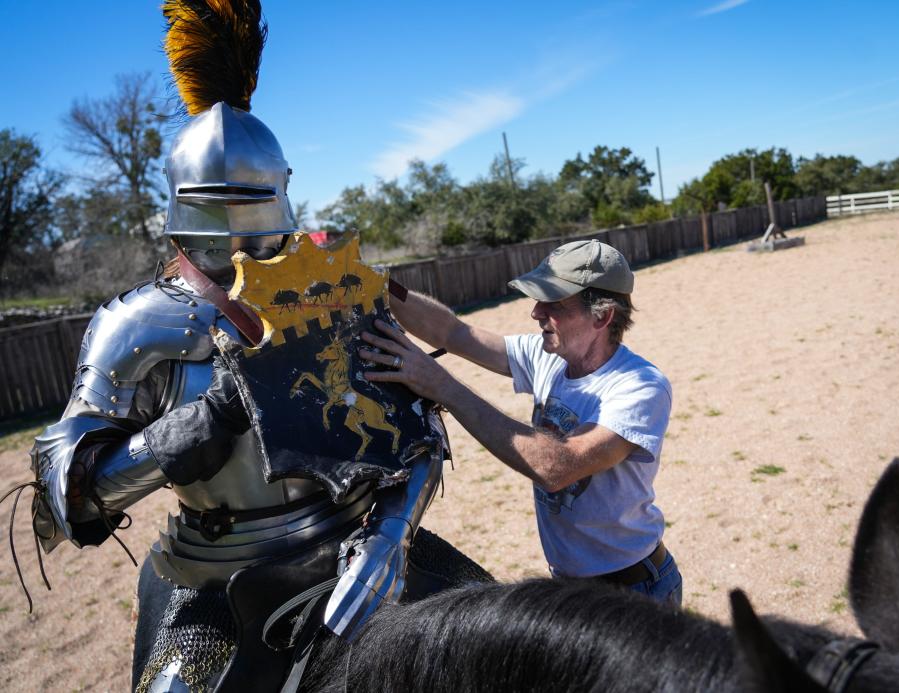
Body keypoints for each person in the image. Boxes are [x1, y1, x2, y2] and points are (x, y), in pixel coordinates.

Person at [21, 3, 483, 691]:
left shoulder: (330, 291)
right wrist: (192, 431)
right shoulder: (136, 325)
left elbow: (417, 434)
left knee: (502, 648)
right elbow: (67, 498)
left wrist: (390, 539)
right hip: (217, 583)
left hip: (353, 539)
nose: (242, 245)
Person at [361, 239, 681, 605]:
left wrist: (441, 385)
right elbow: (451, 333)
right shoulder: (549, 355)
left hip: (633, 594)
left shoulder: (640, 386)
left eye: (553, 303)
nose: (535, 312)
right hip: (572, 589)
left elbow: (558, 466)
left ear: (602, 316)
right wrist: (377, 284)